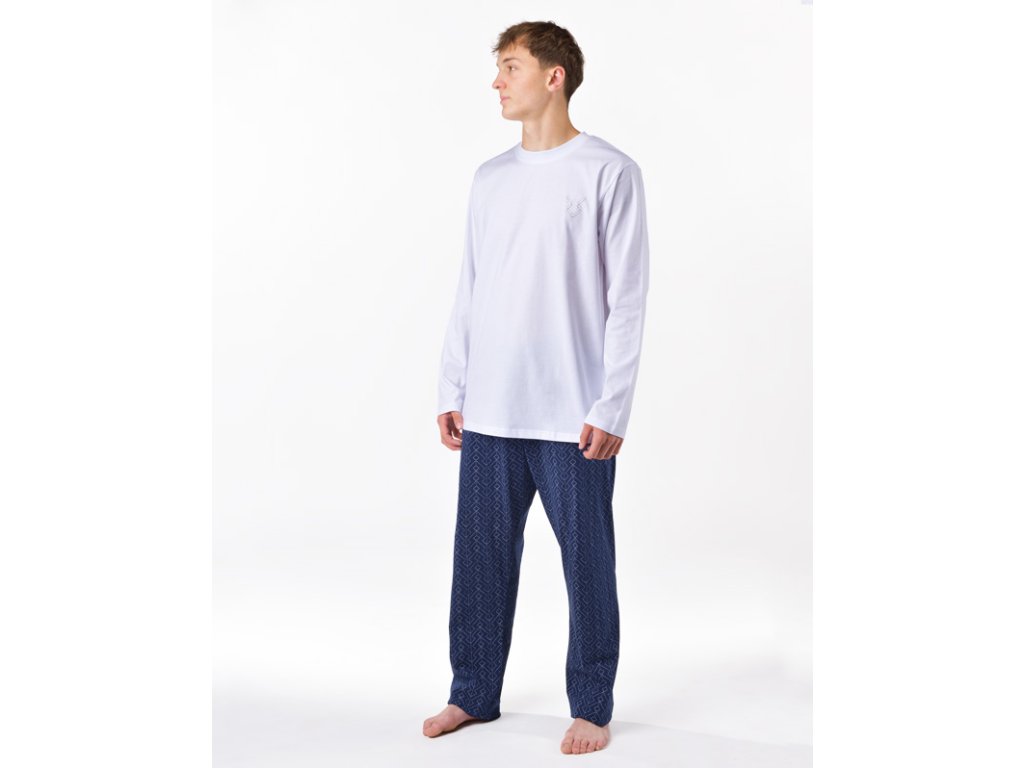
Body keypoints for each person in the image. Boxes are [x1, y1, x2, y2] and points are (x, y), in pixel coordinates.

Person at [422, 20, 650, 755]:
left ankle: (592, 705)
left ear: (554, 76)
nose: (497, 81)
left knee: (588, 564)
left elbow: (628, 300)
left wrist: (612, 405)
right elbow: (471, 286)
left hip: (573, 413)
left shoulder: (609, 172)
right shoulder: (490, 179)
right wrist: (452, 384)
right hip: (491, 406)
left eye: (511, 67)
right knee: (479, 561)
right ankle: (472, 692)